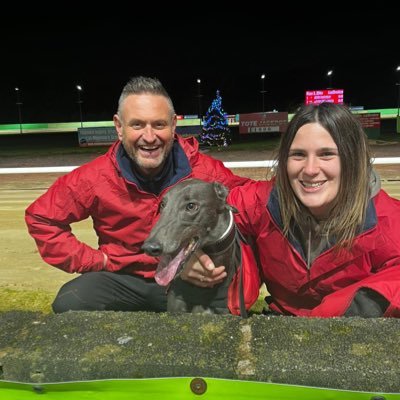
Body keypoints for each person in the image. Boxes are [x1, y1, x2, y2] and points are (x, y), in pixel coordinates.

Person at [25, 76, 251, 313]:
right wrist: (96, 260)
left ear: (174, 126)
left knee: (225, 317)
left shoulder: (206, 172)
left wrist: (198, 253)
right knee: (70, 301)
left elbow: (252, 204)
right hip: (124, 280)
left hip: (187, 279)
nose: (150, 136)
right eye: (137, 125)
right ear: (119, 127)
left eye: (159, 124)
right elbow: (41, 218)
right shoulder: (93, 177)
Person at [183, 102, 400, 317]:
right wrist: (187, 254)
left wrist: (354, 308)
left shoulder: (388, 220)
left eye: (326, 154)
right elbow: (196, 209)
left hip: (347, 338)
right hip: (280, 326)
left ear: (353, 160)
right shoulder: (261, 202)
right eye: (298, 154)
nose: (310, 169)